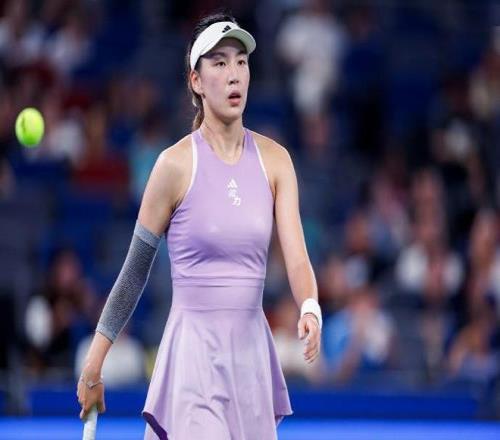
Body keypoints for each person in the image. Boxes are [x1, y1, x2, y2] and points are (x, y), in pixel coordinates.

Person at [76, 12, 322, 440]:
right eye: (219, 63)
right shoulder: (172, 165)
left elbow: (297, 257)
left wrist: (310, 308)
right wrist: (94, 363)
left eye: (241, 62)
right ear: (196, 81)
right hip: (193, 361)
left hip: (250, 361)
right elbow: (134, 273)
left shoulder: (277, 161)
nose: (234, 74)